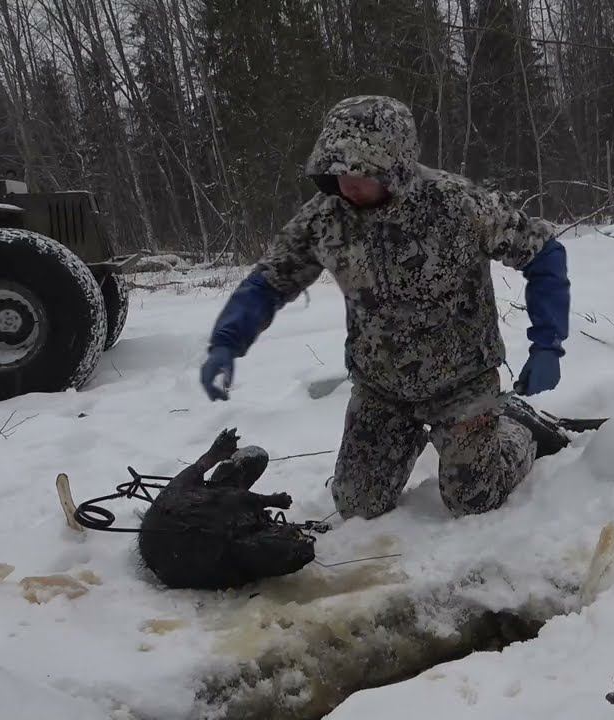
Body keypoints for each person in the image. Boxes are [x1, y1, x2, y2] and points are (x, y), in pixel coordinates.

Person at [200, 95, 570, 520]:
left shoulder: (456, 203)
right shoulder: (324, 218)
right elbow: (269, 281)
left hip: (463, 382)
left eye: (362, 171)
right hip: (382, 388)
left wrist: (548, 344)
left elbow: (543, 253)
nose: (348, 184)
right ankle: (408, 440)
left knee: (474, 500)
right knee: (358, 506)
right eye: (339, 171)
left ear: (396, 164)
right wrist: (227, 341)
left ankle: (518, 428)